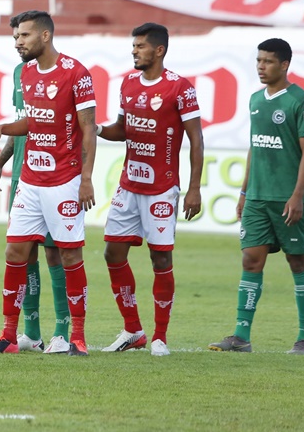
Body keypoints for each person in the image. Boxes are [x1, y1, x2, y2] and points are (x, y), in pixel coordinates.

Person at [0, 10, 96, 356]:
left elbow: (89, 128)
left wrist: (86, 178)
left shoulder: (76, 73)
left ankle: (76, 336)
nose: (18, 42)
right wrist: (2, 128)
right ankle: (9, 335)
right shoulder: (27, 73)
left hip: (64, 180)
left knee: (68, 254)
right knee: (15, 251)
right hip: (30, 179)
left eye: (24, 36)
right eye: (16, 36)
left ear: (45, 35)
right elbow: (32, 122)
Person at [97, 23, 203, 356]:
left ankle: (160, 336)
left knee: (160, 257)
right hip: (129, 185)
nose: (134, 51)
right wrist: (95, 128)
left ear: (159, 50)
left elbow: (196, 139)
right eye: (133, 46)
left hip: (161, 189)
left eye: (140, 46)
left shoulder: (179, 88)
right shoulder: (128, 83)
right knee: (113, 253)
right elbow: (122, 130)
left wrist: (194, 188)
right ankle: (133, 330)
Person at [210, 38, 304, 354]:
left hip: (288, 198)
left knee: (297, 260)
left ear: (284, 65)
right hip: (257, 197)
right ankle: (241, 336)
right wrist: (244, 191)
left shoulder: (301, 101)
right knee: (251, 259)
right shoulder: (256, 99)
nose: (261, 66)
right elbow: (254, 146)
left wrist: (297, 195)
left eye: (268, 61)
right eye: (259, 60)